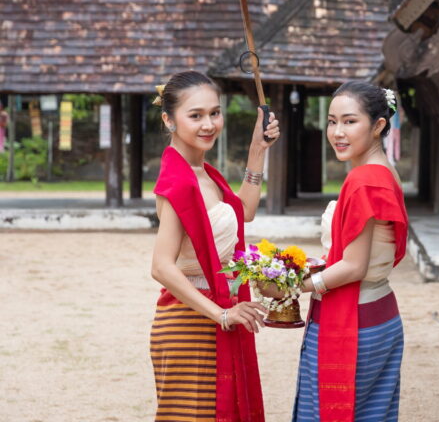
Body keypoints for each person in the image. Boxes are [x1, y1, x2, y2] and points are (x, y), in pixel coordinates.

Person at [149, 71, 280, 422]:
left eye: (214, 113)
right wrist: (221, 314)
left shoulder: (204, 173)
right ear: (169, 120)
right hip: (189, 322)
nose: (208, 124)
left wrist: (257, 149)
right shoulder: (178, 181)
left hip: (219, 312)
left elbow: (245, 211)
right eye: (195, 115)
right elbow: (161, 266)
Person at [291, 81, 408, 422]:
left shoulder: (363, 180)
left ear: (378, 126)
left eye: (349, 121)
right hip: (380, 312)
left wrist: (292, 287)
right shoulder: (387, 172)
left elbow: (354, 267)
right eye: (331, 121)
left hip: (354, 320)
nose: (337, 132)